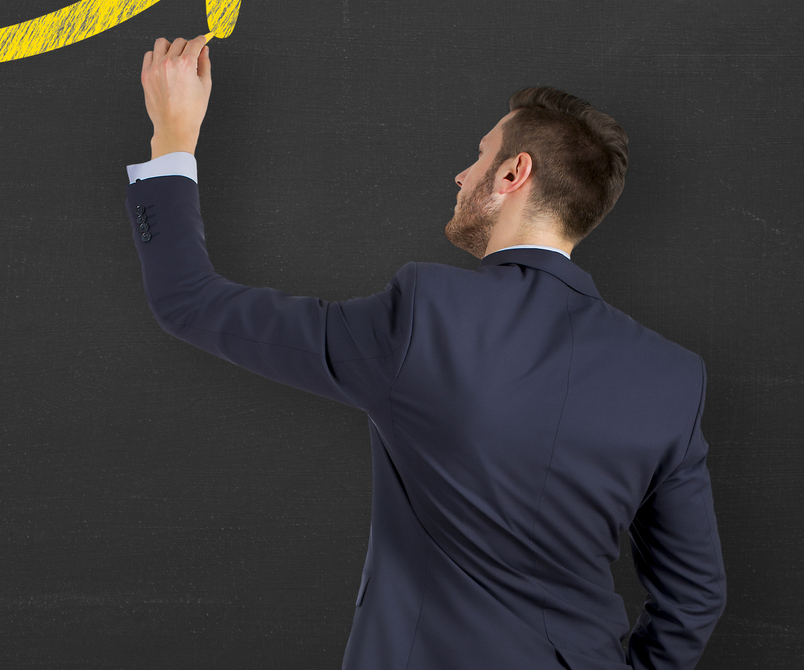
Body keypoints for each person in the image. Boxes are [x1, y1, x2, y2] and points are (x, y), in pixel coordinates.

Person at [127, 35, 725, 669]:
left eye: (479, 156)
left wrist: (173, 134)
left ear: (514, 173)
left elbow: (188, 301)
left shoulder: (425, 315)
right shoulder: (672, 377)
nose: (462, 175)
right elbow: (694, 597)